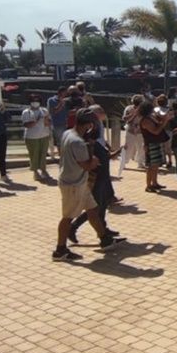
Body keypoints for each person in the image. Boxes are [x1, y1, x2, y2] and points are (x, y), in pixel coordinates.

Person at [53, 111, 121, 261]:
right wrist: (95, 161)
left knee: (93, 209)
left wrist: (89, 148)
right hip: (73, 184)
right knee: (67, 217)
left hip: (78, 182)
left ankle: (105, 240)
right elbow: (86, 165)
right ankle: (60, 250)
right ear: (90, 125)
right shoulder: (78, 142)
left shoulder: (68, 133)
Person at [69, 106, 124, 245]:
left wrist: (117, 152)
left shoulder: (97, 136)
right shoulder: (87, 140)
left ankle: (104, 229)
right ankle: (74, 228)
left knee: (103, 204)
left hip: (104, 175)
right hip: (96, 176)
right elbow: (89, 159)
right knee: (95, 207)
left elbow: (105, 156)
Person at [140, 100, 173, 191]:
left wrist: (164, 118)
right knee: (151, 166)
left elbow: (159, 123)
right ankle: (148, 185)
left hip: (156, 143)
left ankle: (154, 183)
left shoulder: (151, 117)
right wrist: (164, 121)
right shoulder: (145, 120)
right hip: (150, 144)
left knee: (156, 165)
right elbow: (155, 131)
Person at [21, 94, 52, 181]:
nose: (35, 102)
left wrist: (46, 120)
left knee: (43, 154)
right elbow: (27, 125)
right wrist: (37, 120)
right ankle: (35, 172)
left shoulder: (44, 110)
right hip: (31, 137)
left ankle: (43, 170)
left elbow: (48, 123)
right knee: (34, 155)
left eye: (37, 101)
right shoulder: (26, 112)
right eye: (33, 101)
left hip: (44, 135)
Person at [117, 95, 144, 178]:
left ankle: (140, 162)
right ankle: (124, 162)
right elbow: (124, 118)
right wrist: (133, 114)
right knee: (128, 147)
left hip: (140, 130)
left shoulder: (143, 109)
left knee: (141, 147)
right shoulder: (129, 108)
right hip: (130, 130)